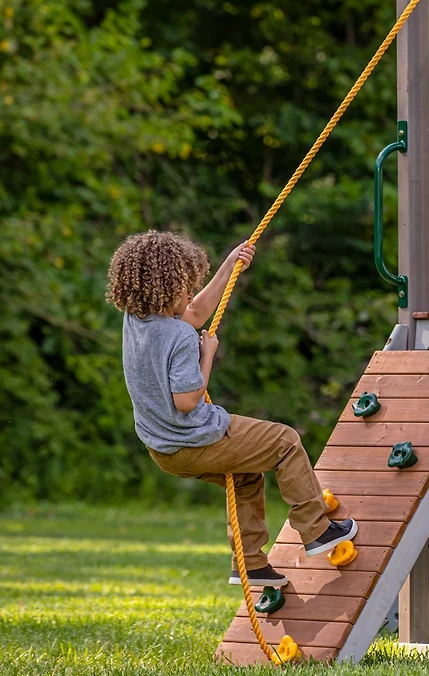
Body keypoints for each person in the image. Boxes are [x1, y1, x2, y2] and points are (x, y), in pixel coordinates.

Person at [106, 230, 357, 587]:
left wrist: (229, 265)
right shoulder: (178, 336)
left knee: (245, 474)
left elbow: (193, 311)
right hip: (195, 439)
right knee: (285, 441)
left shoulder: (136, 322)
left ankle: (250, 564)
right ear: (166, 290)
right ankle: (318, 530)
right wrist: (206, 354)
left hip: (162, 450)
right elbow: (188, 400)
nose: (190, 293)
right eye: (184, 285)